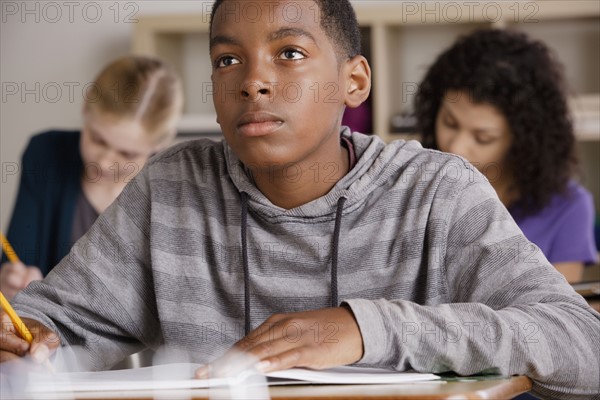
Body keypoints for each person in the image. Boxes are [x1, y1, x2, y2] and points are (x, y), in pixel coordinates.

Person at [1, 1, 599, 399]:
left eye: (289, 53)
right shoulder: (170, 187)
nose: (252, 81)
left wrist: (369, 330)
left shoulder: (439, 191)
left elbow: (583, 346)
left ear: (354, 81)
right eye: (227, 59)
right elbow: (57, 322)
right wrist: (31, 337)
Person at [415, 29, 598, 284]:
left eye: (483, 138)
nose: (456, 148)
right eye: (449, 123)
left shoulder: (569, 208)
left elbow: (557, 317)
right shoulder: (414, 186)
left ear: (523, 141)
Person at [0, 56, 184, 299]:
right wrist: (12, 280)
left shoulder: (178, 185)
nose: (104, 162)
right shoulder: (45, 153)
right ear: (85, 108)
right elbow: (17, 258)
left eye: (127, 153)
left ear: (160, 144)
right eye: (98, 139)